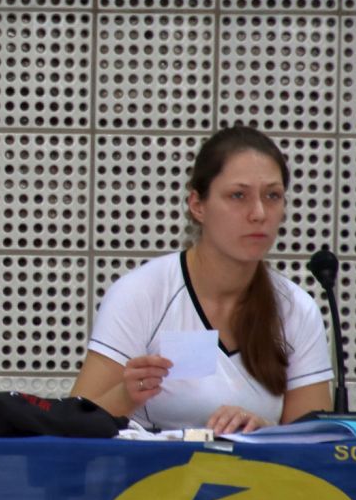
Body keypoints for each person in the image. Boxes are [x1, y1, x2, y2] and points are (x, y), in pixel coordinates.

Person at [70, 126, 333, 434]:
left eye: (272, 196)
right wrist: (125, 396)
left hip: (253, 466)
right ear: (198, 205)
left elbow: (313, 443)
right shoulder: (141, 293)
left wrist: (264, 433)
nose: (259, 213)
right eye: (238, 195)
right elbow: (72, 426)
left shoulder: (297, 309)